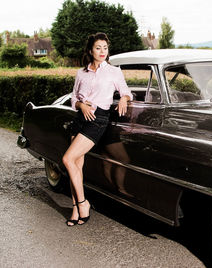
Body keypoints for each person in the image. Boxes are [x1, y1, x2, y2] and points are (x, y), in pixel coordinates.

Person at [62, 32, 132, 226]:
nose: (102, 51)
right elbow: (74, 98)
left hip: (98, 119)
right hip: (80, 118)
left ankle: (83, 203)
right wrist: (81, 106)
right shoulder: (81, 72)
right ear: (90, 50)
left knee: (67, 159)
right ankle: (75, 208)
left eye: (105, 48)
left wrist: (124, 99)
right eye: (98, 48)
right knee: (76, 165)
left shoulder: (113, 72)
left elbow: (126, 91)